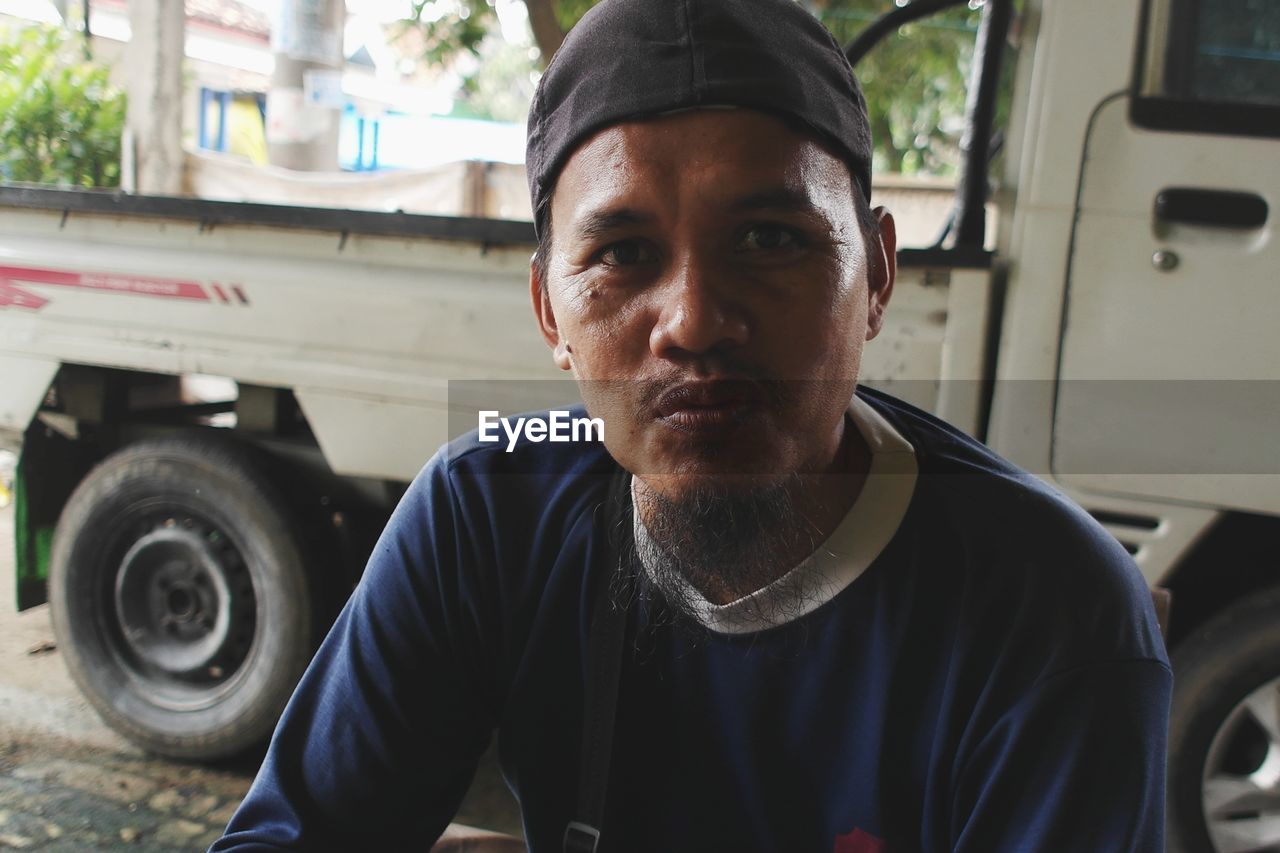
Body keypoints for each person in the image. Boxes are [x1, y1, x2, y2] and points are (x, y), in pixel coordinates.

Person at [213, 0, 1170, 850]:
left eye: (769, 239)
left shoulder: (1052, 618)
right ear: (552, 314)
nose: (695, 319)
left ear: (876, 274)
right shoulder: (487, 514)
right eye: (624, 253)